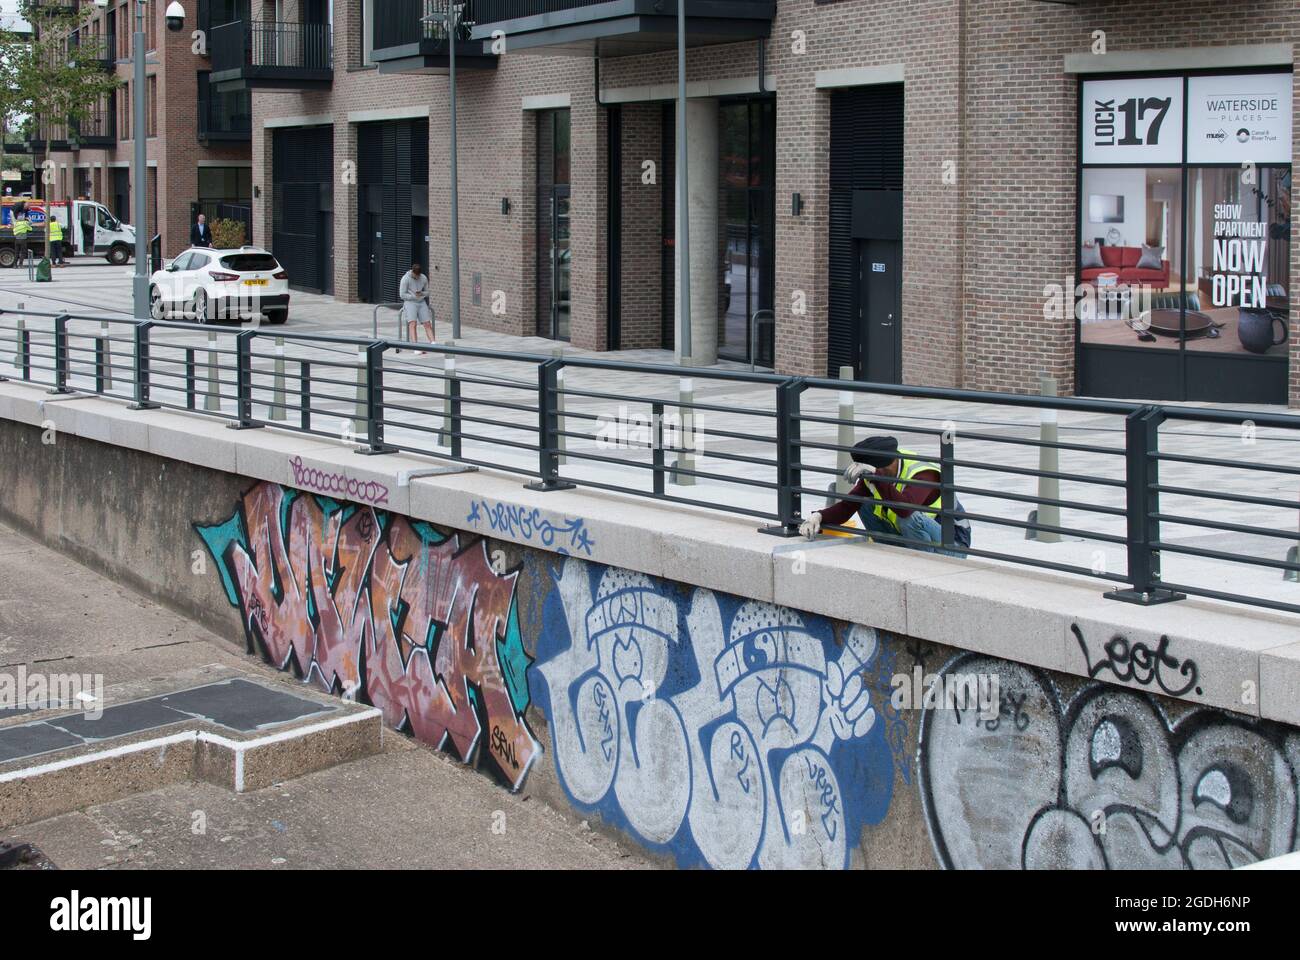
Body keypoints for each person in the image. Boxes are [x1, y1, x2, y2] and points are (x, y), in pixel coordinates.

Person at [799, 435, 971, 556]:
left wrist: (876, 477)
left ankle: (922, 562)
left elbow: (906, 510)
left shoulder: (923, 473)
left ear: (886, 464)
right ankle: (890, 551)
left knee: (908, 516)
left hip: (951, 545)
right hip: (915, 538)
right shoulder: (880, 473)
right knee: (863, 502)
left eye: (873, 470)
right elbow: (847, 506)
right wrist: (818, 517)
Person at [399, 262, 434, 348]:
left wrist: (422, 293)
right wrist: (413, 296)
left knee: (427, 323)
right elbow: (402, 294)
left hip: (421, 302)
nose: (417, 277)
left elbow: (428, 292)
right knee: (412, 323)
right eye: (415, 276)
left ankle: (433, 343)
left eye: (418, 276)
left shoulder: (423, 278)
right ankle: (415, 346)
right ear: (413, 272)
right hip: (410, 302)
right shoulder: (405, 279)